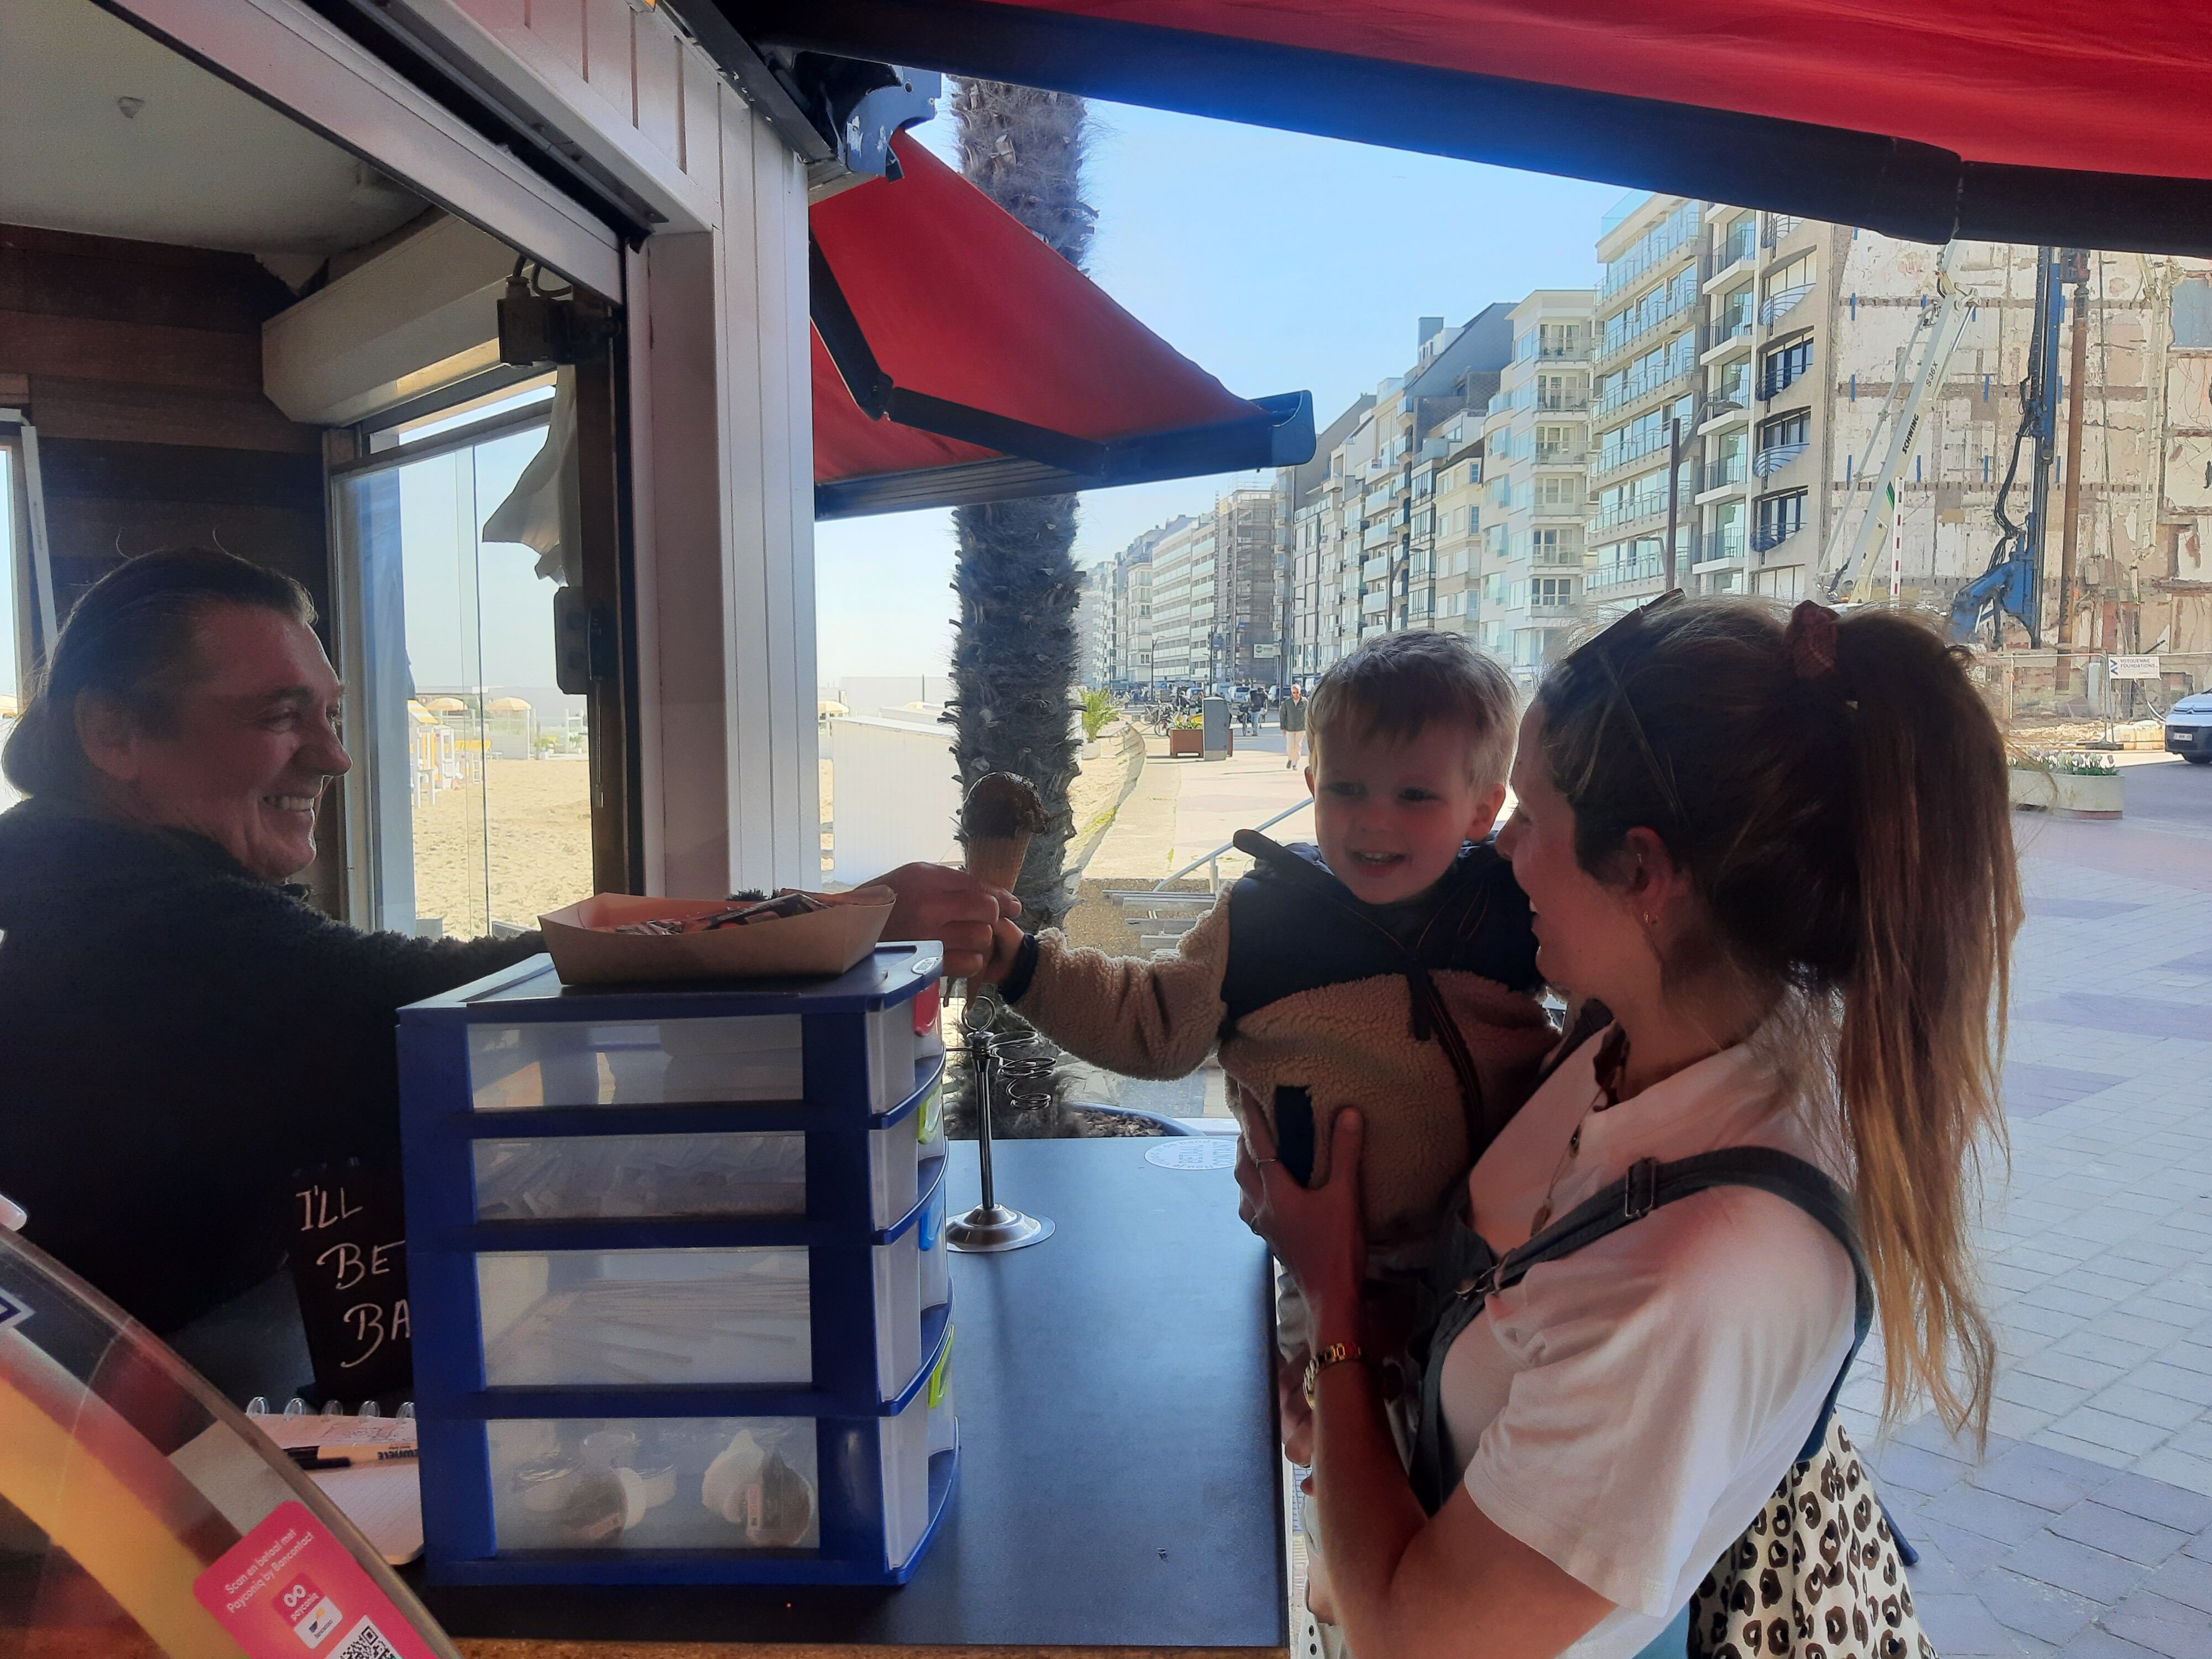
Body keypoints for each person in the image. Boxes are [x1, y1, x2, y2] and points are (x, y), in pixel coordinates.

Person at [1241, 595, 2017, 1659]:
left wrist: (1330, 1299)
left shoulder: (1692, 1280)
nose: (1502, 847)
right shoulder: (1635, 1034)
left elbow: (1410, 1636)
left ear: (1643, 873)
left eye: (1533, 815)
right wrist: (1354, 1393)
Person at [0, 548, 1014, 1334]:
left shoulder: (78, 889)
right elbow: (434, 1007)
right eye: (281, 714)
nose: (336, 757)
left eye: (333, 715)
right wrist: (827, 925)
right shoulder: (115, 929)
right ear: (113, 733)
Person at [976, 629, 1557, 1418]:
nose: (1373, 821)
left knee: (1470, 1447)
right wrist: (1025, 966)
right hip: (1330, 1260)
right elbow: (1153, 1020)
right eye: (1346, 789)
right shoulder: (1262, 917)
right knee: (1334, 1438)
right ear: (1312, 783)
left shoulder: (1512, 903)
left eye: (1415, 796)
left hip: (1500, 1256)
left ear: (1484, 808)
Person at [1281, 682, 1308, 771]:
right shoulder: (1287, 703)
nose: (1296, 694)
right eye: (1294, 692)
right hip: (1290, 728)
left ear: (1300, 692)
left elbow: (1309, 714)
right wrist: (1283, 727)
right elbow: (1283, 715)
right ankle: (1290, 759)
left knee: (1298, 746)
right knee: (1290, 746)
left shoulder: (1305, 702)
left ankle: (1295, 763)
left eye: (1297, 692)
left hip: (1301, 728)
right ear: (1291, 693)